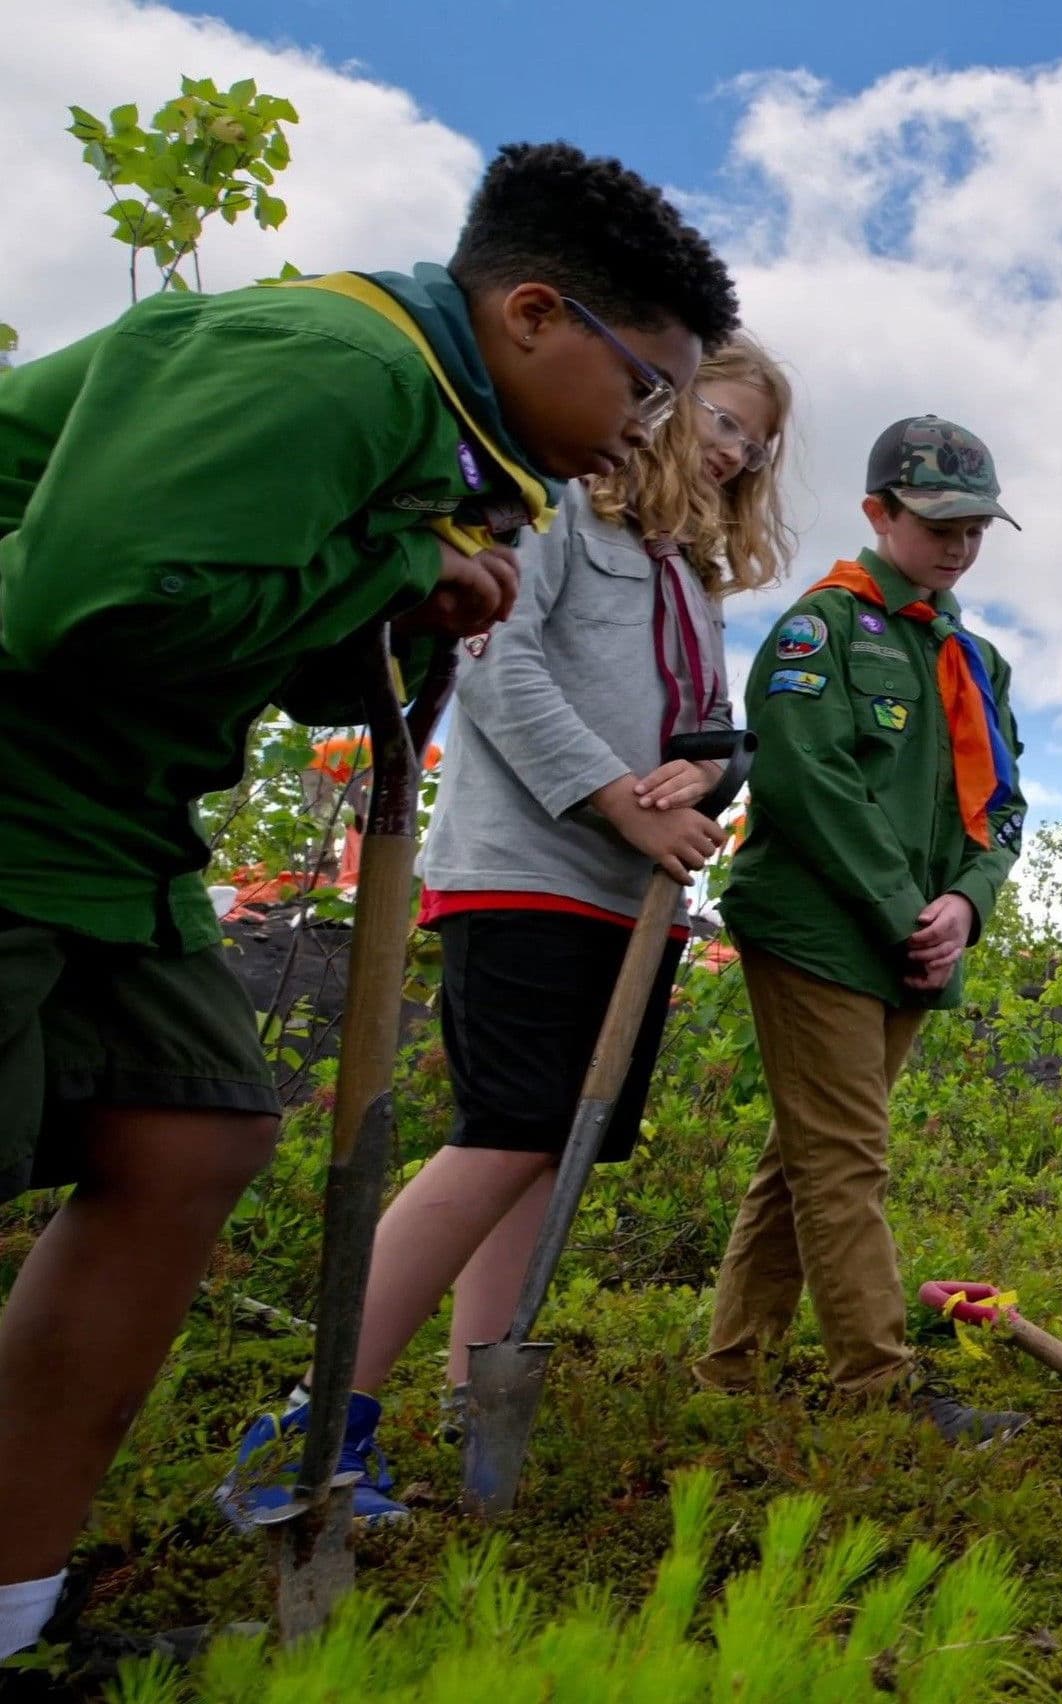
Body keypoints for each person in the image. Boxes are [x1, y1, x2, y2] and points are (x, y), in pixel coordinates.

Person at [0, 140, 736, 1657]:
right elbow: (96, 599)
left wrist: (412, 593)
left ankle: (12, 1606)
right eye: (645, 382)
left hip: (111, 825)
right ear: (534, 314)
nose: (650, 426)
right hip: (19, 785)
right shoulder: (330, 359)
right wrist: (402, 563)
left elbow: (286, 644)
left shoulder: (453, 447)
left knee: (192, 1127)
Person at [219, 339, 793, 1524]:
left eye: (756, 439)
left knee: (544, 1152)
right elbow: (497, 672)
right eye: (723, 419)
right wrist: (613, 803)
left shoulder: (690, 579)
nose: (736, 450)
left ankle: (472, 1415)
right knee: (503, 1133)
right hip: (525, 870)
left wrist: (703, 783)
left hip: (631, 899)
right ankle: (312, 1423)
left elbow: (706, 731)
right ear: (666, 408)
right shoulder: (560, 518)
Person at [692, 415, 1029, 1443]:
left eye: (975, 526)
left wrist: (966, 905)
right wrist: (904, 913)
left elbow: (1004, 804)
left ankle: (732, 1368)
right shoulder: (821, 631)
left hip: (918, 941)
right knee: (846, 1157)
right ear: (879, 512)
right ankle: (877, 1393)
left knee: (808, 1153)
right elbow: (807, 782)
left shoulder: (976, 661)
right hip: (820, 929)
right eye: (938, 524)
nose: (959, 544)